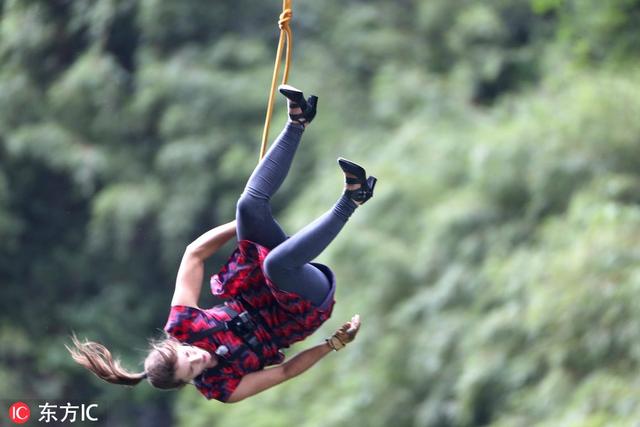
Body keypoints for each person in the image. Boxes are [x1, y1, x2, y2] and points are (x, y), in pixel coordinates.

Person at [68, 84, 377, 403]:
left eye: (188, 354)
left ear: (177, 344)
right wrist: (332, 344)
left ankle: (298, 120)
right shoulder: (222, 387)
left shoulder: (183, 324)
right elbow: (284, 372)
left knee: (249, 206)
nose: (197, 359)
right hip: (302, 309)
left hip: (259, 285)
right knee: (276, 265)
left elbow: (194, 254)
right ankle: (353, 198)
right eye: (192, 369)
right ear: (187, 382)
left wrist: (241, 226)